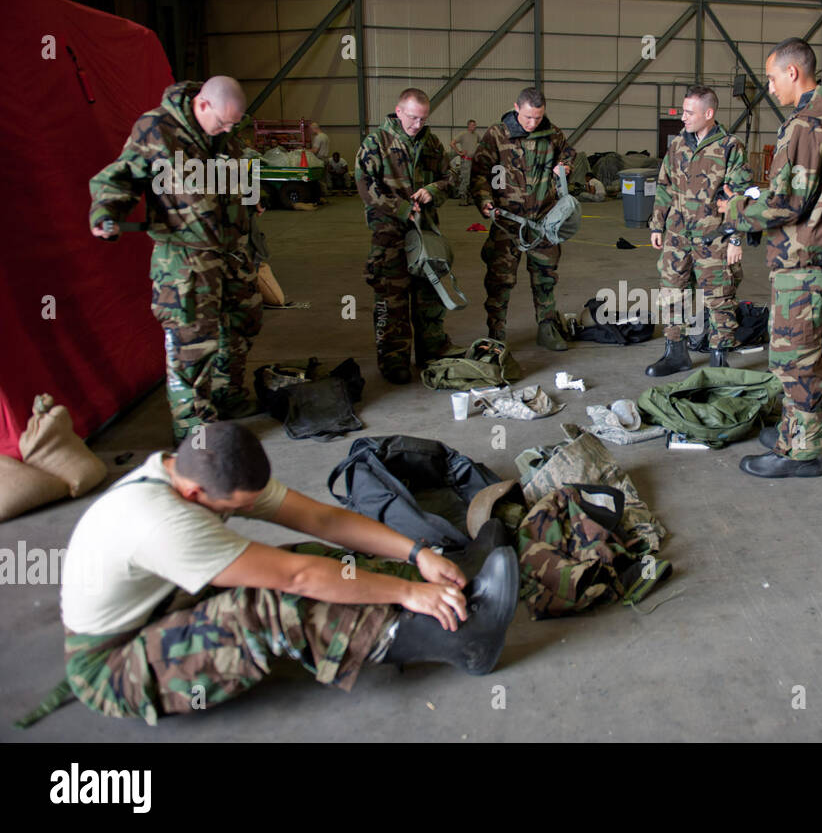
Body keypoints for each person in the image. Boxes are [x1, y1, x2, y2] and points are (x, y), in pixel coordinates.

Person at [49, 421, 517, 725]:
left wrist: (417, 555)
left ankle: (441, 595)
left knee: (318, 554)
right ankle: (454, 641)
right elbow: (296, 579)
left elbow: (323, 520)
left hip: (163, 602)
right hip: (114, 663)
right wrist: (405, 591)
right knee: (271, 601)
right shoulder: (161, 523)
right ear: (193, 494)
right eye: (241, 508)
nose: (252, 508)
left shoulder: (205, 471)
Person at [89, 75, 262, 443]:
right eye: (224, 122)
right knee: (191, 344)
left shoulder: (222, 133)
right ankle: (192, 431)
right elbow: (120, 177)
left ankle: (227, 396)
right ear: (203, 105)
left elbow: (234, 173)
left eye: (234, 123)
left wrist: (248, 198)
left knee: (241, 325)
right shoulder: (156, 129)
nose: (229, 129)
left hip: (232, 252)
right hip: (186, 259)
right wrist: (106, 213)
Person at [714, 38, 822, 478]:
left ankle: (802, 453)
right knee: (797, 354)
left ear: (793, 73)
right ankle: (795, 432)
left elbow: (788, 203)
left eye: (773, 79)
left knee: (795, 359)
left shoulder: (804, 126)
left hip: (803, 261)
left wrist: (734, 209)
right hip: (814, 257)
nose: (771, 89)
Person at [645, 85, 752, 377]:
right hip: (677, 235)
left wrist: (735, 238)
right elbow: (665, 186)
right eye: (682, 111)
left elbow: (740, 196)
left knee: (719, 296)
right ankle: (675, 352)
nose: (683, 117)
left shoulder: (731, 146)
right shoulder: (677, 144)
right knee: (671, 292)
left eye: (689, 112)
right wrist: (657, 224)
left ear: (709, 113)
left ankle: (719, 358)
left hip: (713, 236)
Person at [355, 88, 454, 385]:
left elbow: (449, 178)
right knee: (391, 299)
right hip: (390, 235)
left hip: (425, 234)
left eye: (423, 119)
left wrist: (433, 191)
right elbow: (364, 184)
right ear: (398, 111)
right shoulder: (377, 143)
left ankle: (431, 352)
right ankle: (393, 359)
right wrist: (399, 209)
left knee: (429, 296)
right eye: (413, 118)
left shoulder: (431, 143)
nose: (417, 125)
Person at [472, 87, 576, 351]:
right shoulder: (497, 135)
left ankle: (547, 327)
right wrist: (484, 201)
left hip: (544, 222)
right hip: (507, 223)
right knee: (500, 280)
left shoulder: (552, 133)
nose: (532, 123)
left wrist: (565, 167)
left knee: (545, 277)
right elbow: (480, 173)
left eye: (538, 118)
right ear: (516, 108)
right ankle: (496, 333)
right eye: (528, 117)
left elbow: (569, 154)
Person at [451, 119, 481, 205]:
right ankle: (463, 197)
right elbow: (452, 143)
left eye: (474, 125)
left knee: (472, 179)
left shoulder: (476, 135)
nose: (473, 127)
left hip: (473, 161)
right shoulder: (463, 134)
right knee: (465, 179)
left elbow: (482, 143)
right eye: (471, 125)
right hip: (466, 160)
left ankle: (469, 197)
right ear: (468, 126)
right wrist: (459, 152)